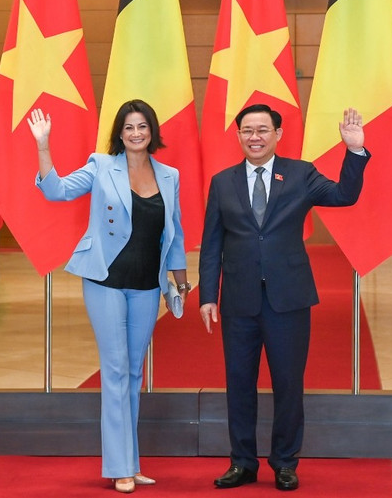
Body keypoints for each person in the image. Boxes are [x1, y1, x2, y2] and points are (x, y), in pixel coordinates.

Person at [198, 103, 369, 491]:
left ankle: (285, 462)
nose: (254, 137)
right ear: (238, 135)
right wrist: (209, 294)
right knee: (238, 383)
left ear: (278, 134)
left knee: (288, 384)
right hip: (238, 301)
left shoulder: (300, 174)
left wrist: (354, 152)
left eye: (262, 130)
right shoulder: (223, 182)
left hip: (288, 300)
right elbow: (212, 244)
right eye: (246, 131)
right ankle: (242, 462)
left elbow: (345, 195)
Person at [30, 100, 190, 494]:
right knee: (116, 368)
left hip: (148, 285)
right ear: (119, 133)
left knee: (134, 372)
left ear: (152, 131)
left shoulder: (169, 175)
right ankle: (119, 466)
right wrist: (43, 146)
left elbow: (175, 233)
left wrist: (180, 283)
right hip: (104, 279)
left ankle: (131, 463)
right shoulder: (102, 166)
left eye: (143, 127)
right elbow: (57, 191)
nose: (136, 133)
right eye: (129, 127)